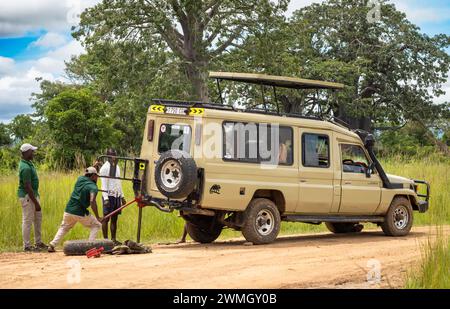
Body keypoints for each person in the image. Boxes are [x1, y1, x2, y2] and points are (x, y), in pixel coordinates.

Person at [47, 167, 103, 252]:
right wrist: (98, 217)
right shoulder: (93, 187)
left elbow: (86, 173)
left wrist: (93, 166)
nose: (97, 178)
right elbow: (92, 201)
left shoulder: (80, 179)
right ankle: (90, 247)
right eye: (96, 176)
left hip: (68, 210)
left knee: (64, 227)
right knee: (97, 225)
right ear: (93, 176)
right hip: (80, 212)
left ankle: (52, 244)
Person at [18, 143, 47, 252]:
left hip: (33, 195)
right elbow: (27, 187)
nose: (33, 153)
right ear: (26, 152)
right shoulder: (25, 167)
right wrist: (36, 203)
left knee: (38, 219)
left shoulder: (28, 163)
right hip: (28, 196)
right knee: (27, 220)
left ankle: (38, 242)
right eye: (32, 151)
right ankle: (27, 246)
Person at [99, 149, 126, 246]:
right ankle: (106, 241)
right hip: (109, 196)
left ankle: (113, 240)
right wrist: (105, 198)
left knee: (115, 219)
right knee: (106, 219)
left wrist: (122, 196)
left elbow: (119, 182)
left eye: (115, 155)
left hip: (116, 195)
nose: (114, 157)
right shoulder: (104, 168)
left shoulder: (117, 166)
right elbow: (103, 184)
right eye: (112, 155)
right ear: (108, 156)